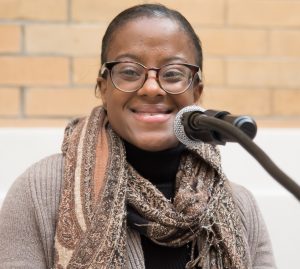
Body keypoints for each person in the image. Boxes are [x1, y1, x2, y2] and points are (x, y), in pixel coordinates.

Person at [0, 3, 276, 269]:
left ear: (197, 92)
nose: (152, 88)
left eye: (173, 73)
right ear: (103, 89)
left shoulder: (241, 207)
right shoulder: (39, 192)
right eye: (130, 71)